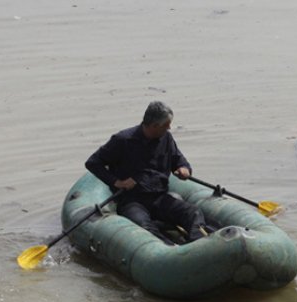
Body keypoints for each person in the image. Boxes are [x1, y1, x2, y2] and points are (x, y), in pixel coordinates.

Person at [85, 101, 207, 243]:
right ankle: (170, 251)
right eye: (166, 124)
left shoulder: (166, 138)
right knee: (143, 227)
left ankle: (200, 245)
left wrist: (184, 168)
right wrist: (117, 182)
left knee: (194, 213)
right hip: (132, 200)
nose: (169, 127)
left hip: (160, 197)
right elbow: (93, 163)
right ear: (154, 126)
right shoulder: (123, 140)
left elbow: (178, 160)